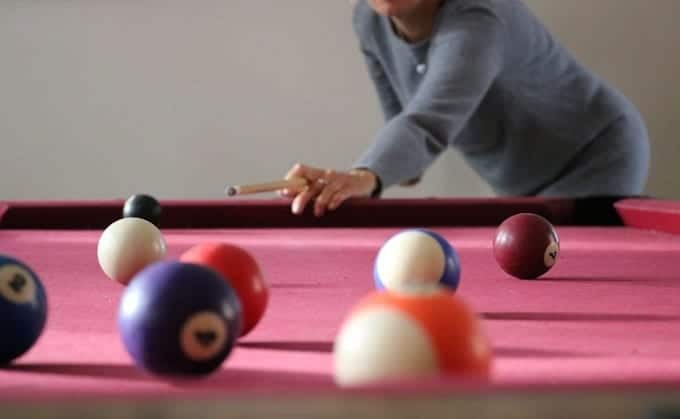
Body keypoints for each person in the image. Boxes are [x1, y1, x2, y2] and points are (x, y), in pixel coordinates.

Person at [280, 0, 650, 217]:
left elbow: (425, 125)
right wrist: (360, 178)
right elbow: (408, 150)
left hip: (595, 154)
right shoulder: (368, 20)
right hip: (517, 183)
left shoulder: (479, 17)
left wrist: (364, 175)